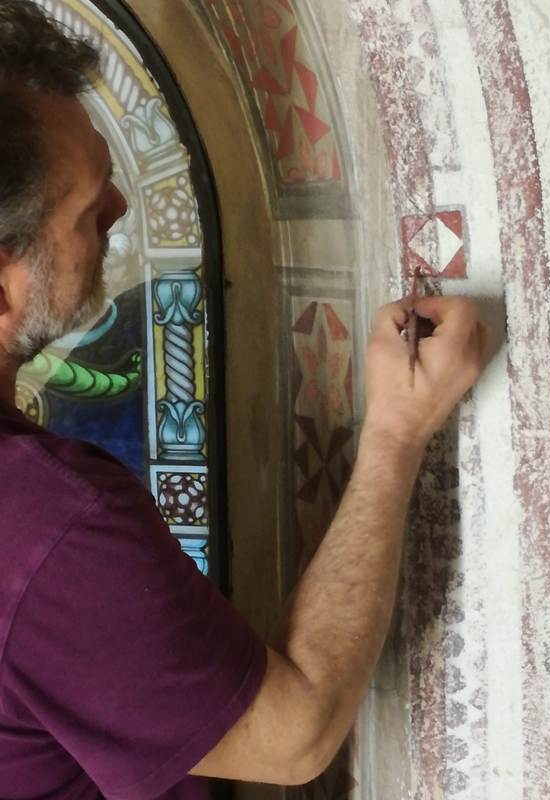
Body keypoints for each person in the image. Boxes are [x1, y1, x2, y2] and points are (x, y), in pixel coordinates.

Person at [0, 3, 487, 799]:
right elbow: (296, 735)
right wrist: (397, 432)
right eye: (88, 209)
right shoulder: (46, 531)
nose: (120, 208)